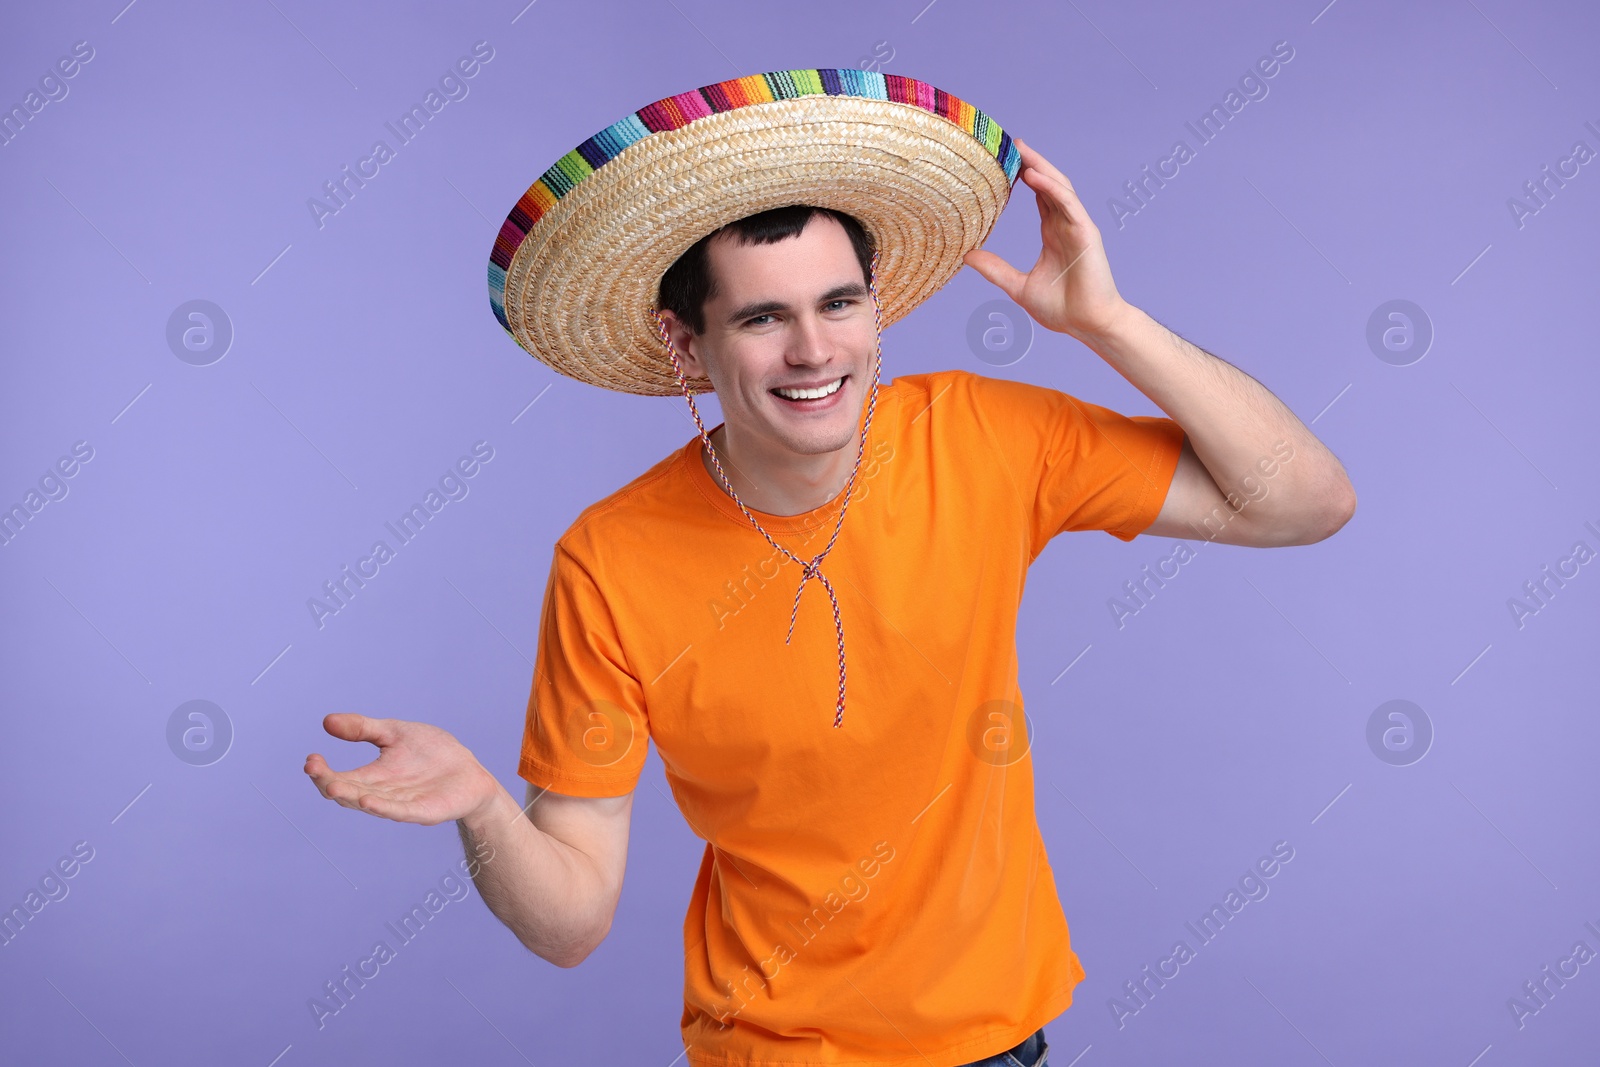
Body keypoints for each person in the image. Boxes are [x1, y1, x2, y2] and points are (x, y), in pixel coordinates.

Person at [303, 68, 1355, 1067]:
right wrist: (487, 810)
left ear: (876, 306)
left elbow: (1305, 501)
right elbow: (572, 919)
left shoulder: (980, 436)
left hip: (998, 1038)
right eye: (762, 317)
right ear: (686, 345)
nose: (814, 350)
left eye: (839, 303)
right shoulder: (609, 559)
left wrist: (1107, 322)